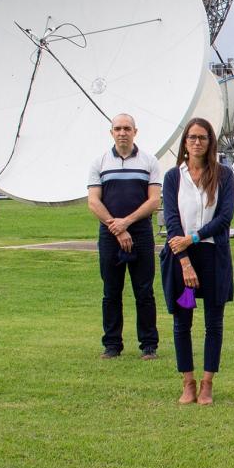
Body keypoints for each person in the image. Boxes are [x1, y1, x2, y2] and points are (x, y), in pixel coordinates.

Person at [161, 118, 234, 406]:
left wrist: (193, 238)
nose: (196, 142)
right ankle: (188, 383)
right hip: (184, 262)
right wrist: (184, 260)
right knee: (183, 323)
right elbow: (171, 220)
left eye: (202, 137)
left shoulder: (224, 176)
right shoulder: (173, 177)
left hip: (212, 256)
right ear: (185, 142)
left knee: (213, 324)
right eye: (192, 137)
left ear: (210, 142)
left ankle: (207, 384)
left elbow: (224, 218)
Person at [87, 113, 163, 360]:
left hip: (140, 231)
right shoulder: (99, 162)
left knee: (144, 291)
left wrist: (127, 223)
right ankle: (112, 345)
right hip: (110, 234)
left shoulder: (149, 162)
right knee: (111, 291)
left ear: (135, 132)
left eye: (127, 128)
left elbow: (154, 200)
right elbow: (93, 201)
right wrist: (116, 227)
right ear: (112, 133)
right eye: (118, 128)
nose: (122, 133)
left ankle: (148, 345)